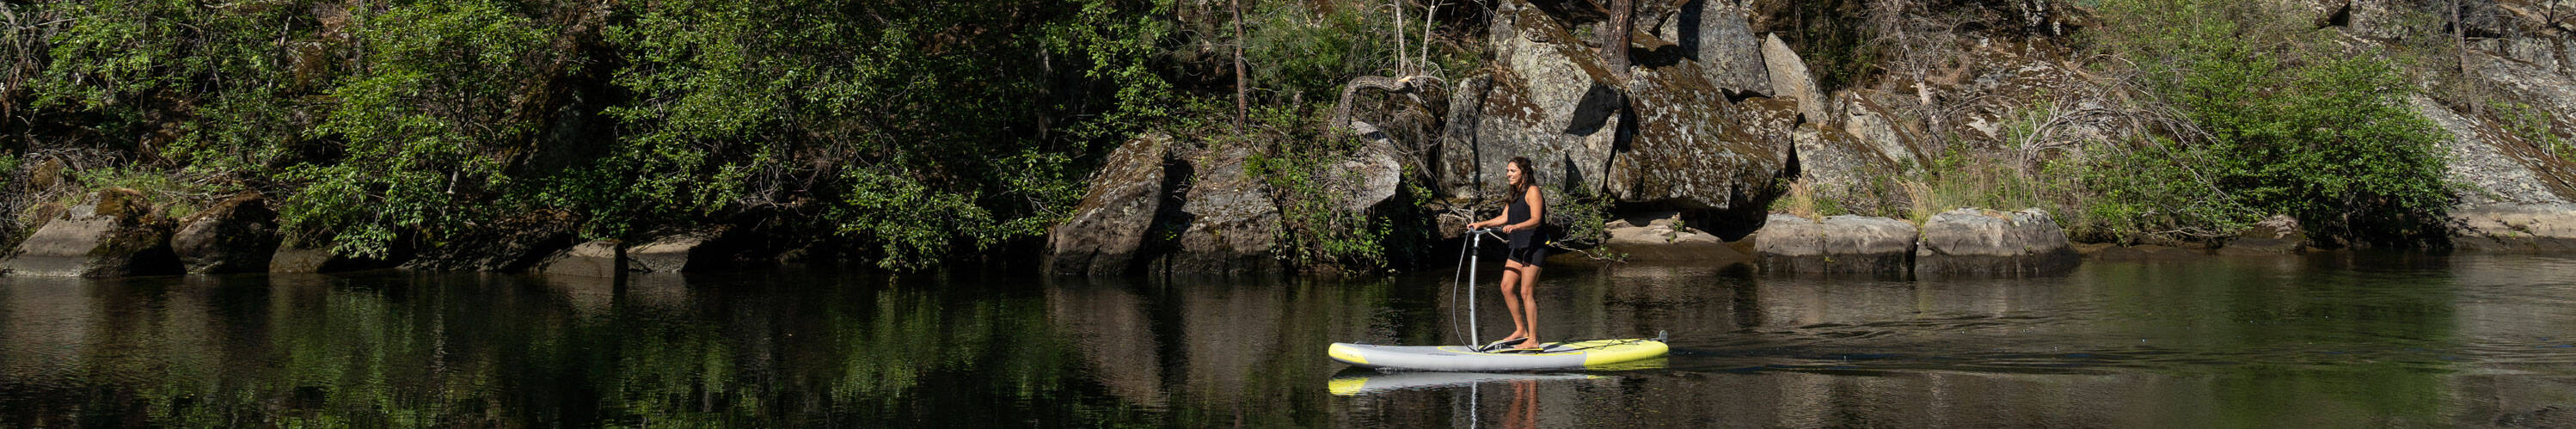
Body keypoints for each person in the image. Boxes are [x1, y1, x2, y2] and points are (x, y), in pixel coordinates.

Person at [1465, 156, 1549, 351]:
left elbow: (1536, 219)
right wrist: (1481, 224)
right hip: (1518, 247)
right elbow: (1504, 217)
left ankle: (1533, 340)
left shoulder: (1533, 191)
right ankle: (1521, 330)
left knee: (1526, 291)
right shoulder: (1515, 193)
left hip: (1535, 247)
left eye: (1512, 171)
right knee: (1506, 286)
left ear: (1523, 173)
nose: (1508, 174)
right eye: (1507, 171)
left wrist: (1516, 226)